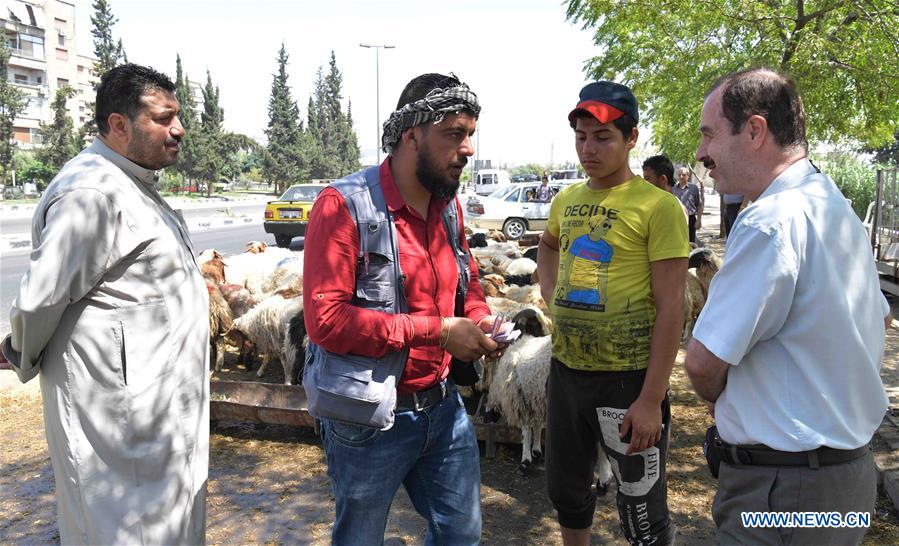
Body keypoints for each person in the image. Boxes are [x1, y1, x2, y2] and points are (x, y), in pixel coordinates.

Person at [0, 64, 208, 544]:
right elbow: (38, 303)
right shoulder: (90, 193)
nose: (177, 130)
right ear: (119, 124)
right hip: (117, 425)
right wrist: (20, 352)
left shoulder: (132, 184)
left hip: (158, 412)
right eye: (162, 118)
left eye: (177, 117)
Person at [685, 67, 890, 545]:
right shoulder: (831, 204)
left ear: (754, 130)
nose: (701, 154)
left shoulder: (770, 221)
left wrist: (723, 399)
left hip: (783, 493)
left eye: (710, 135)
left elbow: (702, 362)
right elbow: (878, 314)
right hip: (844, 481)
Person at [303, 73, 504, 545]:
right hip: (367, 419)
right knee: (360, 537)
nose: (468, 148)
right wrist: (437, 332)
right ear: (411, 134)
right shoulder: (344, 206)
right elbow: (326, 321)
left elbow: (467, 285)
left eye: (471, 134)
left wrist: (480, 319)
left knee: (461, 534)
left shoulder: (449, 207)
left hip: (442, 408)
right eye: (454, 134)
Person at [537, 81, 688, 546]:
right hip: (566, 373)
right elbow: (546, 245)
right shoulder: (566, 201)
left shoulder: (659, 207)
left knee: (640, 501)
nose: (589, 148)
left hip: (627, 380)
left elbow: (671, 308)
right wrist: (551, 295)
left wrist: (650, 399)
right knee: (567, 490)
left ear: (631, 138)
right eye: (581, 136)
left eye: (603, 137)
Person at [642, 154, 689, 220]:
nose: (644, 183)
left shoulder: (668, 207)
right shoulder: (666, 203)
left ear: (663, 179)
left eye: (647, 178)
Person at [673, 166, 704, 243]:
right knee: (678, 242)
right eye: (679, 175)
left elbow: (699, 205)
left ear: (688, 176)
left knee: (691, 243)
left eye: (683, 175)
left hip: (691, 219)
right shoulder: (673, 188)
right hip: (677, 219)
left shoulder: (693, 188)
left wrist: (699, 220)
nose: (681, 177)